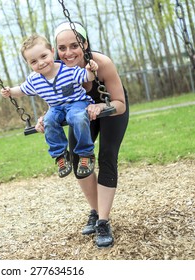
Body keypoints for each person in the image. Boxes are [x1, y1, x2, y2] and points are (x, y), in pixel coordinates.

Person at [35, 22, 129, 248]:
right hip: (80, 115)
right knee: (78, 158)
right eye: (62, 47)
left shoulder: (102, 64)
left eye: (74, 45)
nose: (68, 53)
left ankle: (104, 222)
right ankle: (95, 212)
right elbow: (56, 103)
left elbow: (120, 104)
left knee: (107, 156)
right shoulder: (55, 69)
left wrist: (100, 108)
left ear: (85, 44)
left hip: (110, 110)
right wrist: (45, 118)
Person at [0, 34, 98, 178]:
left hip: (77, 103)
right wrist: (10, 92)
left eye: (44, 56)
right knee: (49, 121)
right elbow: (21, 90)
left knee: (77, 118)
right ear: (28, 64)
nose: (40, 63)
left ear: (52, 51)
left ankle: (86, 154)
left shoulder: (68, 69)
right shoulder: (34, 80)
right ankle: (61, 155)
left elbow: (88, 77)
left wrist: (91, 70)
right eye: (33, 61)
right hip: (55, 107)